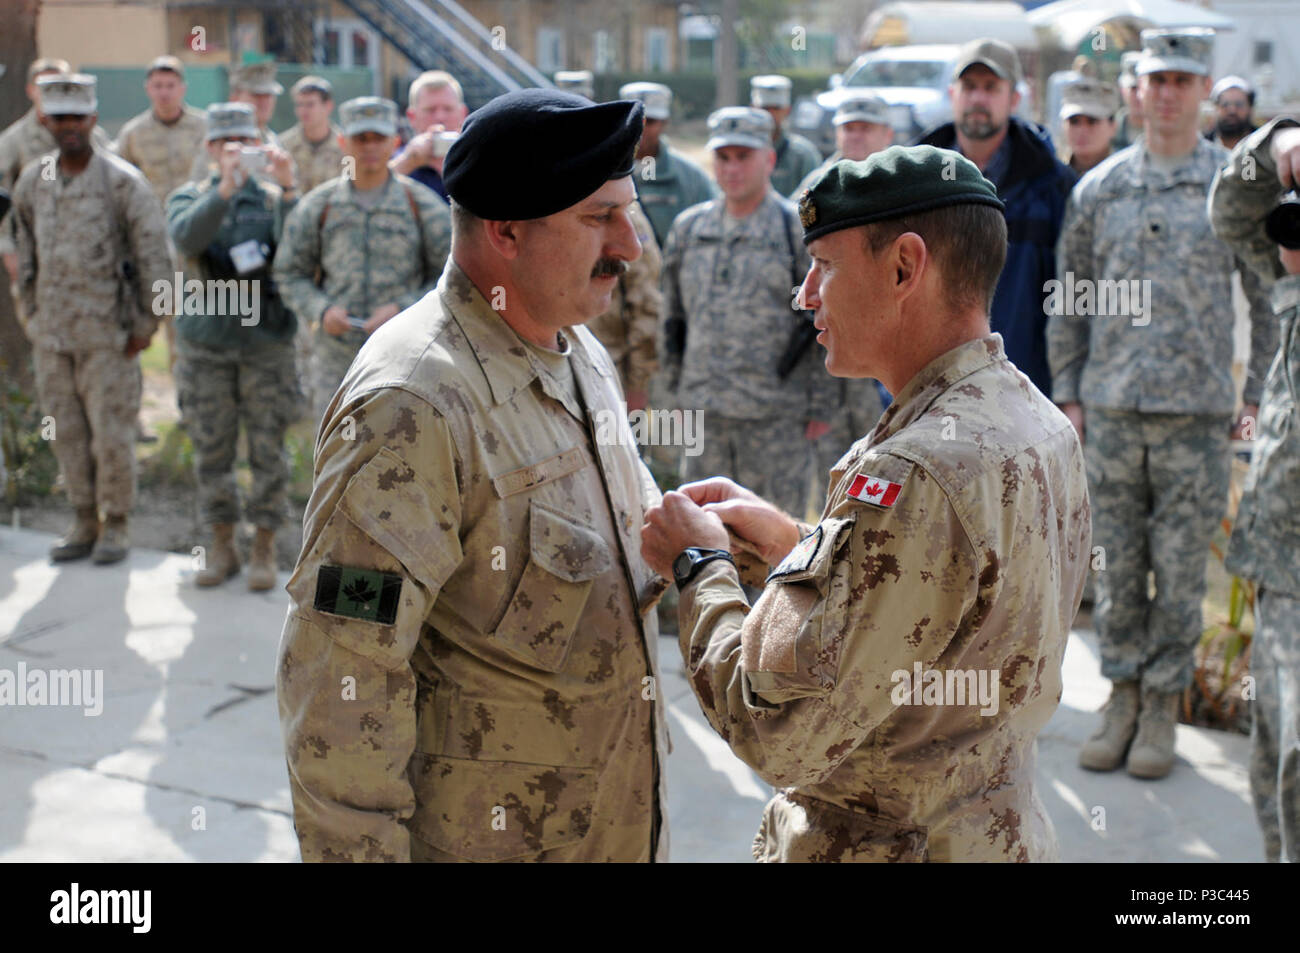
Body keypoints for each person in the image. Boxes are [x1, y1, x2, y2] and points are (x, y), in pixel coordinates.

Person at [640, 146, 1091, 862]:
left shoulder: (918, 467)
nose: (805, 294)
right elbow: (941, 614)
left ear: (905, 267)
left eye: (824, 264)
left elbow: (778, 730)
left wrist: (701, 565)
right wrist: (798, 545)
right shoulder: (1031, 417)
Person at [276, 88, 671, 863]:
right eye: (599, 219)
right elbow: (341, 675)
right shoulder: (411, 403)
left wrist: (696, 541)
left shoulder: (572, 341)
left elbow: (601, 524)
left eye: (628, 213)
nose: (630, 246)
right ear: (506, 232)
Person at [1049, 29, 1278, 781]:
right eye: (1158, 79)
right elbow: (1070, 298)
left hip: (1197, 416)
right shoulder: (1100, 188)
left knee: (1179, 572)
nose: (1170, 92)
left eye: (1184, 78)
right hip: (1112, 410)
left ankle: (1160, 709)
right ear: (1136, 91)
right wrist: (1071, 392)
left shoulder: (1232, 189)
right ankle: (1118, 695)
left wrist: (1256, 397)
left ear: (1203, 87)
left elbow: (1269, 297)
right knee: (1116, 567)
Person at [12, 74, 171, 563]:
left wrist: (147, 327)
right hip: (53, 338)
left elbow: (155, 261)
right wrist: (30, 315)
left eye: (78, 117)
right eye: (59, 118)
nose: (69, 127)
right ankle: (83, 518)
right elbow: (23, 252)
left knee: (112, 436)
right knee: (65, 433)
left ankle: (116, 524)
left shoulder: (123, 182)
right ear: (45, 120)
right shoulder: (32, 181)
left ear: (93, 118)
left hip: (110, 338)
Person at [661, 107, 835, 520]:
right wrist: (671, 396)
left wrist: (822, 405)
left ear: (769, 159)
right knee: (704, 536)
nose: (732, 168)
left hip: (775, 417)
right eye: (723, 157)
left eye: (744, 156)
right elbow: (672, 320)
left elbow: (822, 318)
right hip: (705, 412)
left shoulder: (795, 230)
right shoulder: (689, 229)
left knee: (772, 540)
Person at [1210, 115, 1300, 861]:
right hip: (1286, 566)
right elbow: (1233, 209)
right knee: (1276, 753)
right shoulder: (1291, 275)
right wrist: (1281, 145)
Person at [166, 103, 300, 590]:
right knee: (211, 449)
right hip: (208, 347)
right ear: (209, 149)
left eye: (244, 142)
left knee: (268, 448)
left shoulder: (272, 199)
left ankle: (264, 545)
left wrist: (288, 189)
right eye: (225, 143)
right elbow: (187, 237)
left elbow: (297, 251)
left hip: (266, 344)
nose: (234, 152)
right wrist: (223, 189)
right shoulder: (190, 196)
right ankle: (222, 543)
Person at [274, 97, 451, 424]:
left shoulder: (421, 205)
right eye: (360, 138)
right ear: (343, 142)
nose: (369, 147)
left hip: (407, 357)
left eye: (378, 138)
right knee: (336, 456)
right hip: (336, 359)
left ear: (395, 142)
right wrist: (321, 309)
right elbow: (289, 272)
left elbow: (449, 279)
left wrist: (402, 307)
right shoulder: (320, 205)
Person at [915, 37, 1076, 398]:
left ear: (1014, 98)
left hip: (1024, 391)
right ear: (952, 93)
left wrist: (1065, 393)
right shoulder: (915, 182)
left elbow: (1069, 299)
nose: (978, 98)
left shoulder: (1052, 187)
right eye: (969, 87)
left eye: (991, 88)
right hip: (933, 389)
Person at [792, 94, 892, 496]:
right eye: (849, 127)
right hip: (829, 356)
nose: (856, 136)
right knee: (837, 474)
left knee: (889, 465)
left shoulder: (903, 189)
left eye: (866, 127)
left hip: (887, 353)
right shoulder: (814, 190)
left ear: (887, 134)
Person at [112, 55, 209, 375]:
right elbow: (119, 185)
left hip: (198, 233)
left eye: (170, 85)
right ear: (148, 89)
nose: (164, 92)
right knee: (166, 312)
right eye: (158, 86)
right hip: (153, 238)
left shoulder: (204, 129)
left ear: (182, 88)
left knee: (204, 310)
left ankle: (200, 386)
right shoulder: (133, 133)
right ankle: (178, 387)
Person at [1, 58, 112, 287]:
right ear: (31, 90)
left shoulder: (95, 137)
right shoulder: (14, 140)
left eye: (59, 86)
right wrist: (8, 248)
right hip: (36, 249)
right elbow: (5, 197)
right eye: (45, 86)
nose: (52, 94)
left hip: (91, 248)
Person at [618, 81, 716, 248]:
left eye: (650, 122)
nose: (640, 129)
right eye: (633, 119)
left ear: (665, 123)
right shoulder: (602, 173)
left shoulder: (691, 178)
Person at [189, 61, 285, 183]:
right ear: (235, 97)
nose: (264, 102)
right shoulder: (217, 141)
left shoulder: (274, 142)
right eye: (256, 95)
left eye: (268, 95)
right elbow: (199, 186)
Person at [389, 70, 469, 203]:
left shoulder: (478, 159)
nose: (440, 117)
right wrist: (409, 162)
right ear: (411, 117)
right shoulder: (399, 160)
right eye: (430, 110)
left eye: (448, 109)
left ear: (463, 114)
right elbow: (367, 193)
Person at [750, 74, 822, 198]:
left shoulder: (804, 155)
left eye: (776, 108)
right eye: (765, 108)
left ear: (787, 110)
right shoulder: (740, 154)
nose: (770, 114)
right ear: (753, 108)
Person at [279, 76, 344, 194]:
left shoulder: (346, 147)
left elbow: (353, 186)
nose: (303, 111)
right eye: (299, 105)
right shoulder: (283, 146)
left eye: (310, 104)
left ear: (328, 106)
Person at [1059, 78, 1118, 175]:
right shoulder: (1051, 178)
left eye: (1092, 121)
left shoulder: (1130, 176)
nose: (1082, 130)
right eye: (1074, 121)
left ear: (1113, 126)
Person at [1206, 75, 1259, 151]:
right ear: (1216, 108)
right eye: (1225, 105)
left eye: (1239, 105)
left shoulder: (1264, 143)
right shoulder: (1202, 146)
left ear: (1250, 108)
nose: (1232, 111)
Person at [1112, 51, 1144, 151]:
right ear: (1122, 90)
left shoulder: (1168, 132)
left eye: (1142, 88)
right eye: (1133, 88)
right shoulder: (1109, 132)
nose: (1139, 95)